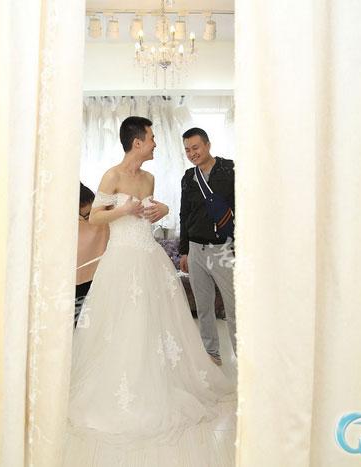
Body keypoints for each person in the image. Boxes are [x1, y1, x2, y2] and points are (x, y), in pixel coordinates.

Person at [65, 117, 235, 466]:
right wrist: (123, 209)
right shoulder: (112, 176)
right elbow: (94, 217)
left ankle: (162, 382)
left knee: (156, 324)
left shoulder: (149, 178)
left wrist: (162, 210)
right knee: (124, 324)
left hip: (150, 257)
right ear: (137, 142)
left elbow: (148, 213)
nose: (156, 143)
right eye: (152, 137)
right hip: (122, 260)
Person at [179, 127, 236, 366]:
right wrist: (184, 250)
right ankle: (211, 355)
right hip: (195, 249)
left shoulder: (230, 170)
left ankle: (244, 357)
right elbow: (184, 214)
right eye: (187, 150)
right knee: (203, 308)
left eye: (196, 147)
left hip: (223, 249)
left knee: (234, 307)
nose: (192, 153)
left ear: (208, 145)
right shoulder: (188, 177)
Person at [75, 182, 109, 327]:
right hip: (76, 277)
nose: (90, 219)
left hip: (98, 275)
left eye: (91, 213)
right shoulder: (67, 225)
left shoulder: (101, 217)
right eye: (85, 216)